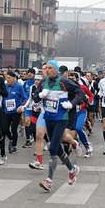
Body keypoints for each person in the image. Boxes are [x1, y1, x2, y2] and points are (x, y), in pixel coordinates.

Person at [33, 60, 85, 191]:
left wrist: (71, 104)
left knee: (52, 148)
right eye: (45, 68)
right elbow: (34, 97)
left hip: (61, 119)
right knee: (59, 150)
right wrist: (39, 95)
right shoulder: (43, 82)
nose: (47, 70)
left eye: (50, 68)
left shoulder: (64, 82)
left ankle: (49, 180)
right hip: (48, 118)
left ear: (56, 70)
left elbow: (81, 94)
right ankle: (72, 169)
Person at [3, 71, 28, 156]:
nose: (7, 80)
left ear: (14, 78)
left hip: (16, 111)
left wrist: (21, 107)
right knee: (5, 129)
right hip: (6, 111)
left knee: (14, 129)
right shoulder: (4, 86)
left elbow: (25, 98)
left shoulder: (19, 87)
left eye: (9, 78)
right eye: (6, 78)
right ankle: (11, 139)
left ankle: (14, 145)